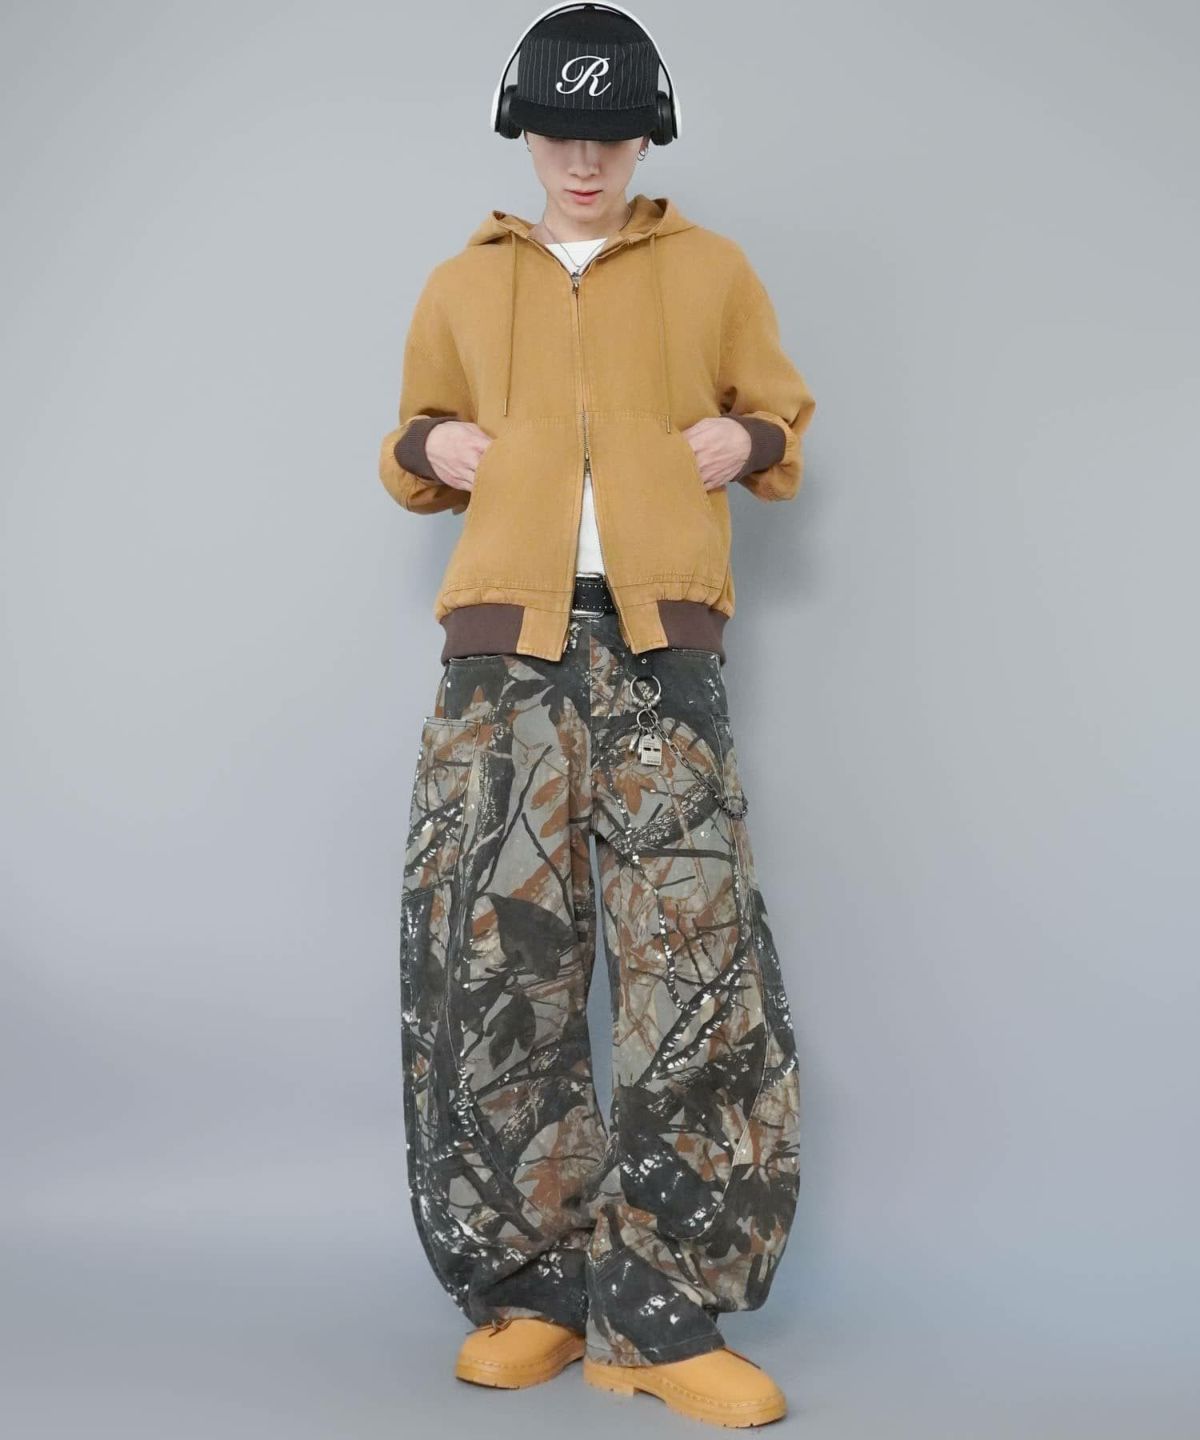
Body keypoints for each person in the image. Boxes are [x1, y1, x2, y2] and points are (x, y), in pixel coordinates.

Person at [378, 4, 816, 1427]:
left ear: (646, 138)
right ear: (526, 135)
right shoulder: (463, 282)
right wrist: (431, 444)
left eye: (612, 134)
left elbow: (783, 418)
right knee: (498, 967)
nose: (585, 160)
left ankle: (661, 1310)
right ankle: (537, 1291)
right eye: (563, 133)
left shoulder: (712, 269)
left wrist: (744, 436)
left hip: (658, 647)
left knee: (692, 966)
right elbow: (409, 444)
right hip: (499, 655)